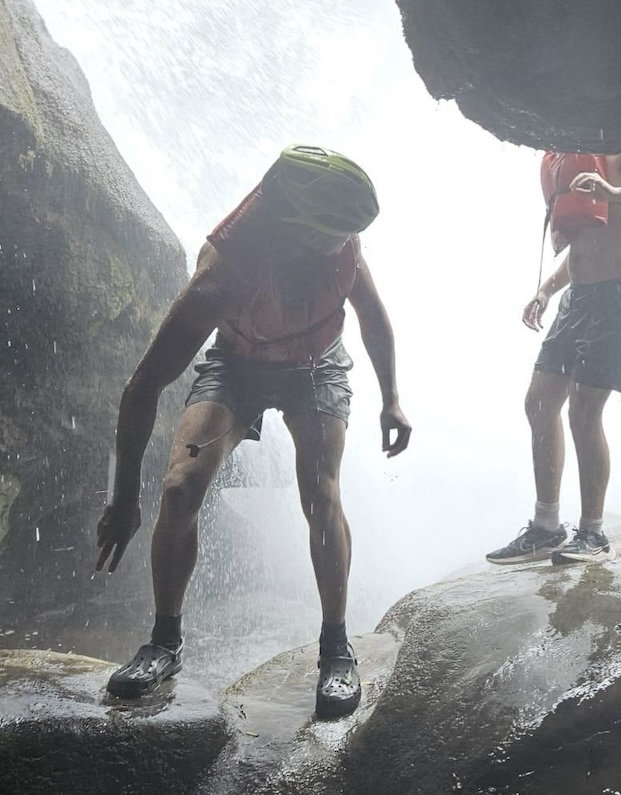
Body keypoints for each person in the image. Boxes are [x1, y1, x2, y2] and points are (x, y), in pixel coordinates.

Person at [95, 145, 412, 719]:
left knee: (321, 493)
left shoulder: (337, 243)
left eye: (348, 237)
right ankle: (164, 642)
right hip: (237, 367)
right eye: (332, 238)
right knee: (179, 489)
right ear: (294, 229)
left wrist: (392, 399)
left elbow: (372, 315)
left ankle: (336, 649)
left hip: (316, 367)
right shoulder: (225, 273)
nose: (344, 247)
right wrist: (122, 501)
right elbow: (141, 388)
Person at [486, 151, 621, 565]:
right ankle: (546, 527)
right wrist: (546, 290)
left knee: (583, 412)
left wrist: (615, 191)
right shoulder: (569, 157)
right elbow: (583, 242)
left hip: (619, 295)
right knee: (539, 403)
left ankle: (594, 534)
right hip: (576, 298)